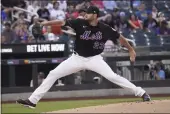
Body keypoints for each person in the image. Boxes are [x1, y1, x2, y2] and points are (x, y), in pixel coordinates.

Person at [17, 6, 151, 109]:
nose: (85, 14)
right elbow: (61, 22)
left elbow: (120, 38)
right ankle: (32, 101)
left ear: (95, 15)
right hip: (77, 58)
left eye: (88, 13)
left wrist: (131, 50)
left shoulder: (105, 28)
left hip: (95, 59)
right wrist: (44, 24)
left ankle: (141, 93)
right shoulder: (79, 23)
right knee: (53, 74)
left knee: (113, 77)